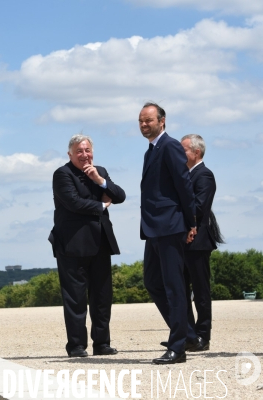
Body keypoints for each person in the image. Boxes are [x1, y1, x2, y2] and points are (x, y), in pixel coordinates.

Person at [49, 134, 126, 357]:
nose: (84, 155)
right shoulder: (62, 174)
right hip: (72, 244)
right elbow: (73, 202)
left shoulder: (99, 170)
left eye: (87, 150)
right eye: (79, 151)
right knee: (75, 298)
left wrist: (100, 181)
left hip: (101, 242)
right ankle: (76, 346)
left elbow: (119, 195)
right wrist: (102, 204)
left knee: (102, 297)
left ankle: (102, 343)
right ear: (70, 154)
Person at [139, 102, 200, 365]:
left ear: (162, 121)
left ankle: (178, 347)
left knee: (175, 288)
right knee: (152, 282)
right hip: (153, 228)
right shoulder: (151, 150)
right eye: (141, 121)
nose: (144, 125)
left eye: (148, 120)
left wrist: (191, 222)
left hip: (171, 225)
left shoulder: (171, 145)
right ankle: (186, 333)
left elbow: (184, 185)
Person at [180, 134, 223, 351]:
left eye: (184, 150)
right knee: (181, 290)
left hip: (198, 241)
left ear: (196, 152)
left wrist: (181, 223)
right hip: (181, 240)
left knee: (200, 290)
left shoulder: (204, 175)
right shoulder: (183, 175)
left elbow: (199, 207)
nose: (180, 154)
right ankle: (188, 334)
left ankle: (203, 336)